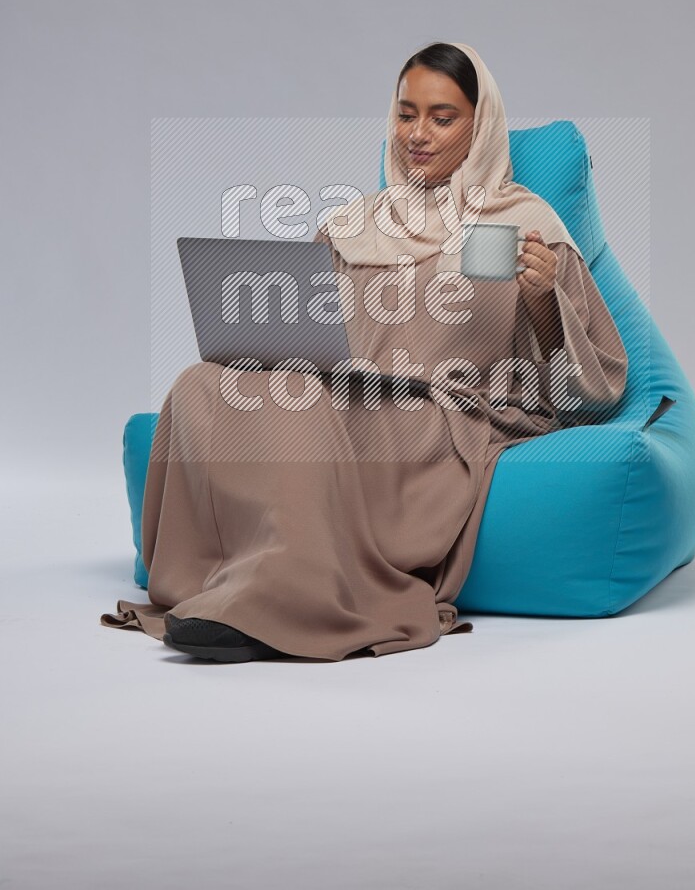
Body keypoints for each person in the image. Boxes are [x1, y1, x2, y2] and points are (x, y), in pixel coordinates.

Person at [100, 41, 628, 662]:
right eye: (406, 115)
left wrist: (543, 297)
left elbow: (594, 391)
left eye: (442, 118)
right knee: (201, 384)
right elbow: (307, 330)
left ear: (480, 125)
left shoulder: (526, 224)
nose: (418, 135)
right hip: (345, 392)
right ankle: (219, 582)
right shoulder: (354, 225)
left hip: (446, 412)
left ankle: (282, 599)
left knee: (300, 407)